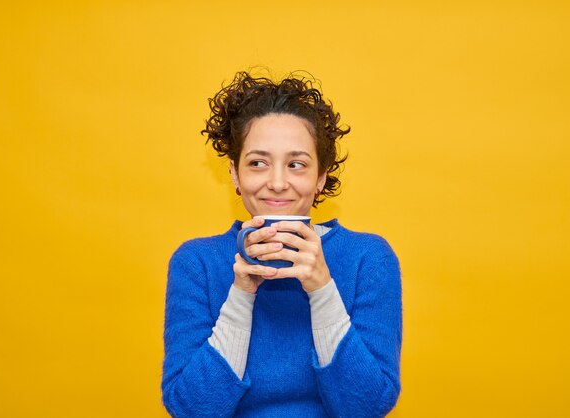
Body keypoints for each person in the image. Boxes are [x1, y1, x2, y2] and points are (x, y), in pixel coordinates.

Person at [161, 71, 402, 417]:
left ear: (320, 177)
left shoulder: (369, 258)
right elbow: (191, 409)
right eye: (258, 163)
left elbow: (366, 407)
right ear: (234, 174)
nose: (277, 182)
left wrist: (322, 288)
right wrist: (241, 295)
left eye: (296, 165)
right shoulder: (195, 262)